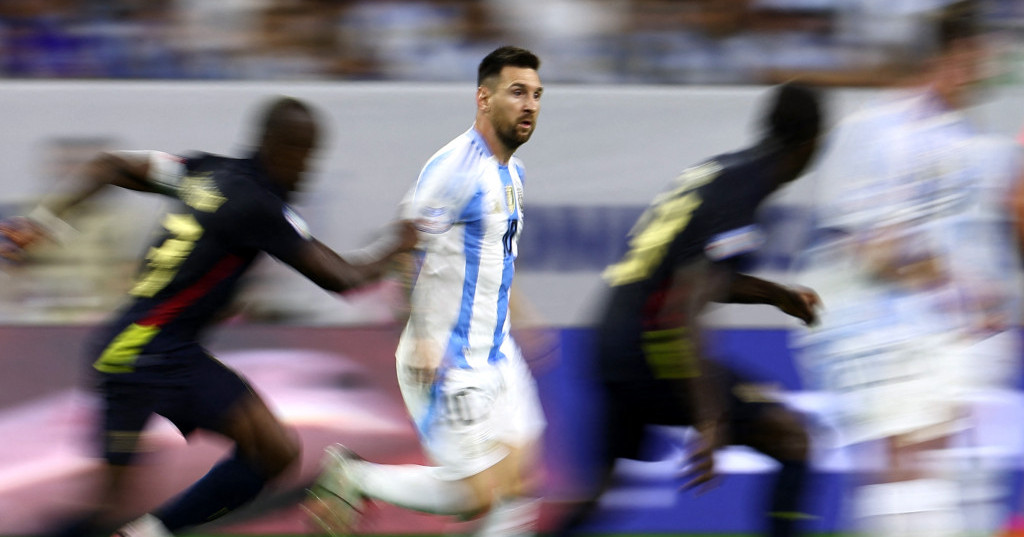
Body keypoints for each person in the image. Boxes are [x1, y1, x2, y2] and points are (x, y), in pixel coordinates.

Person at [0, 96, 417, 537]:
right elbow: (343, 278)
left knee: (106, 508)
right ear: (277, 147)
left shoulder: (201, 170)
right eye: (303, 155)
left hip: (119, 347)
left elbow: (110, 166)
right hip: (158, 351)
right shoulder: (260, 205)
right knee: (273, 451)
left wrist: (41, 222)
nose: (307, 169)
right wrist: (399, 243)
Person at [554, 82, 825, 537]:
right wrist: (711, 418)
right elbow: (685, 305)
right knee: (792, 438)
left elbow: (700, 276)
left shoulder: (720, 173)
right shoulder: (745, 191)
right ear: (813, 143)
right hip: (652, 347)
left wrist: (778, 295)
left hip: (610, 339)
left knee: (598, 491)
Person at [796, 0, 1021, 537]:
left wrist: (983, 297)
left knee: (940, 475)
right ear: (959, 55)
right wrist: (957, 288)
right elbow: (874, 245)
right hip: (886, 327)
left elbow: (991, 235)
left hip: (949, 333)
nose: (993, 69)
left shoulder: (967, 140)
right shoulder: (885, 131)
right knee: (910, 465)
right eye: (987, 54)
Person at [305, 45, 546, 537]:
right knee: (472, 497)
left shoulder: (513, 174)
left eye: (537, 95)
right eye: (517, 92)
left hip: (496, 351)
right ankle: (354, 477)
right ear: (484, 98)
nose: (530, 105)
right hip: (448, 355)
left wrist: (520, 313)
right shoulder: (453, 168)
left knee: (520, 479)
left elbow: (492, 258)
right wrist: (421, 337)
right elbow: (405, 248)